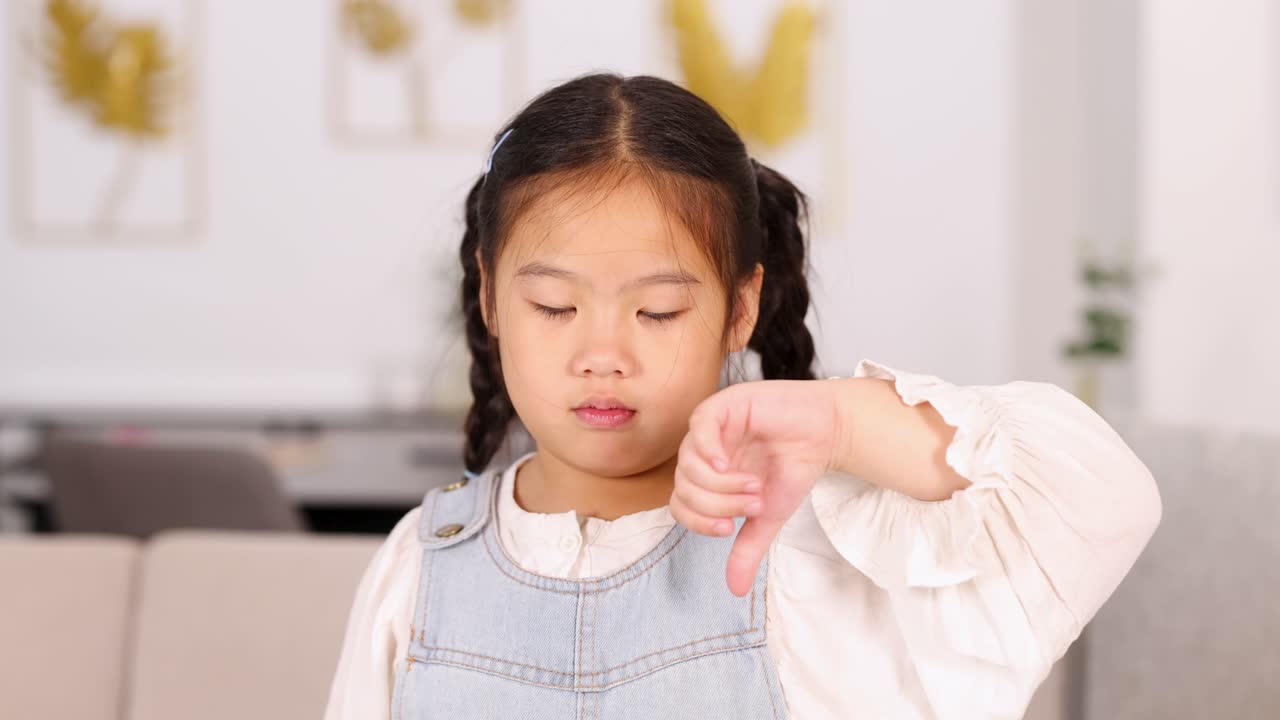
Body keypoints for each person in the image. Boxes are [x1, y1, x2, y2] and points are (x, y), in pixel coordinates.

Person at [324, 73, 1161, 720]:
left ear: (741, 307)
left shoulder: (815, 552)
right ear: (489, 295)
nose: (602, 356)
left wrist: (838, 420)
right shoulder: (420, 565)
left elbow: (1104, 497)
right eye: (554, 307)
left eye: (657, 311)